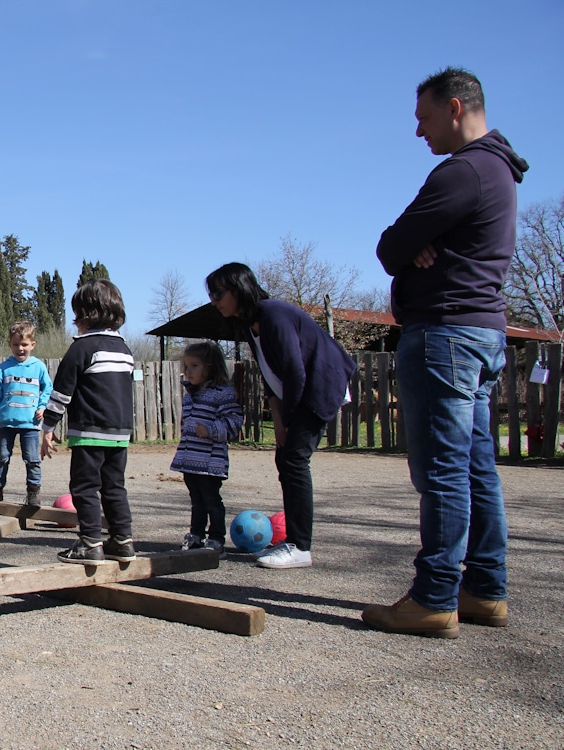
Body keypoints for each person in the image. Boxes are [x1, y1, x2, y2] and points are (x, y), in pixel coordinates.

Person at [364, 67, 528, 638]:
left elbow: (389, 246)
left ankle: (434, 595)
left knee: (442, 472)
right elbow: (405, 245)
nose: (418, 132)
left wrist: (409, 249)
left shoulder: (465, 172)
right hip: (480, 334)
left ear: (455, 107)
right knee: (476, 467)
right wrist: (414, 246)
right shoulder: (498, 171)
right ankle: (484, 588)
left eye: (424, 118)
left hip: (446, 336)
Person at [207, 262, 356, 569]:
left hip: (319, 388)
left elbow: (295, 372)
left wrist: (289, 420)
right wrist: (278, 423)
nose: (214, 301)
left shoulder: (274, 313)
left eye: (218, 293)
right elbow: (270, 375)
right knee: (285, 458)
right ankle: (295, 543)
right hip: (297, 393)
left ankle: (300, 548)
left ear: (238, 289)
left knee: (294, 460)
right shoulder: (251, 324)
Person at [41, 279, 136, 565]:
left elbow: (61, 392)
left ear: (83, 313)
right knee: (114, 487)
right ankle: (122, 541)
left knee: (83, 487)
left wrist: (48, 426)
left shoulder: (82, 348)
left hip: (90, 431)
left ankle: (91, 543)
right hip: (119, 434)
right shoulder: (125, 350)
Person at [171, 341, 244, 560]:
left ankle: (216, 540)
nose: (188, 371)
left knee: (211, 500)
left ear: (210, 366)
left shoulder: (223, 394)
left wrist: (212, 430)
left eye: (194, 366)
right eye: (186, 366)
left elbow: (234, 422)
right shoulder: (190, 395)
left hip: (210, 462)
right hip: (189, 459)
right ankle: (196, 535)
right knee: (196, 500)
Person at [0, 320, 53, 506]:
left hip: (30, 423)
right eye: (15, 344)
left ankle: (33, 492)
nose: (20, 348)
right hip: (7, 422)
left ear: (32, 345)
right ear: (9, 344)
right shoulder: (5, 367)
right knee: (2, 456)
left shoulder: (38, 367)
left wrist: (42, 407)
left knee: (32, 459)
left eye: (24, 344)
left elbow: (48, 389)